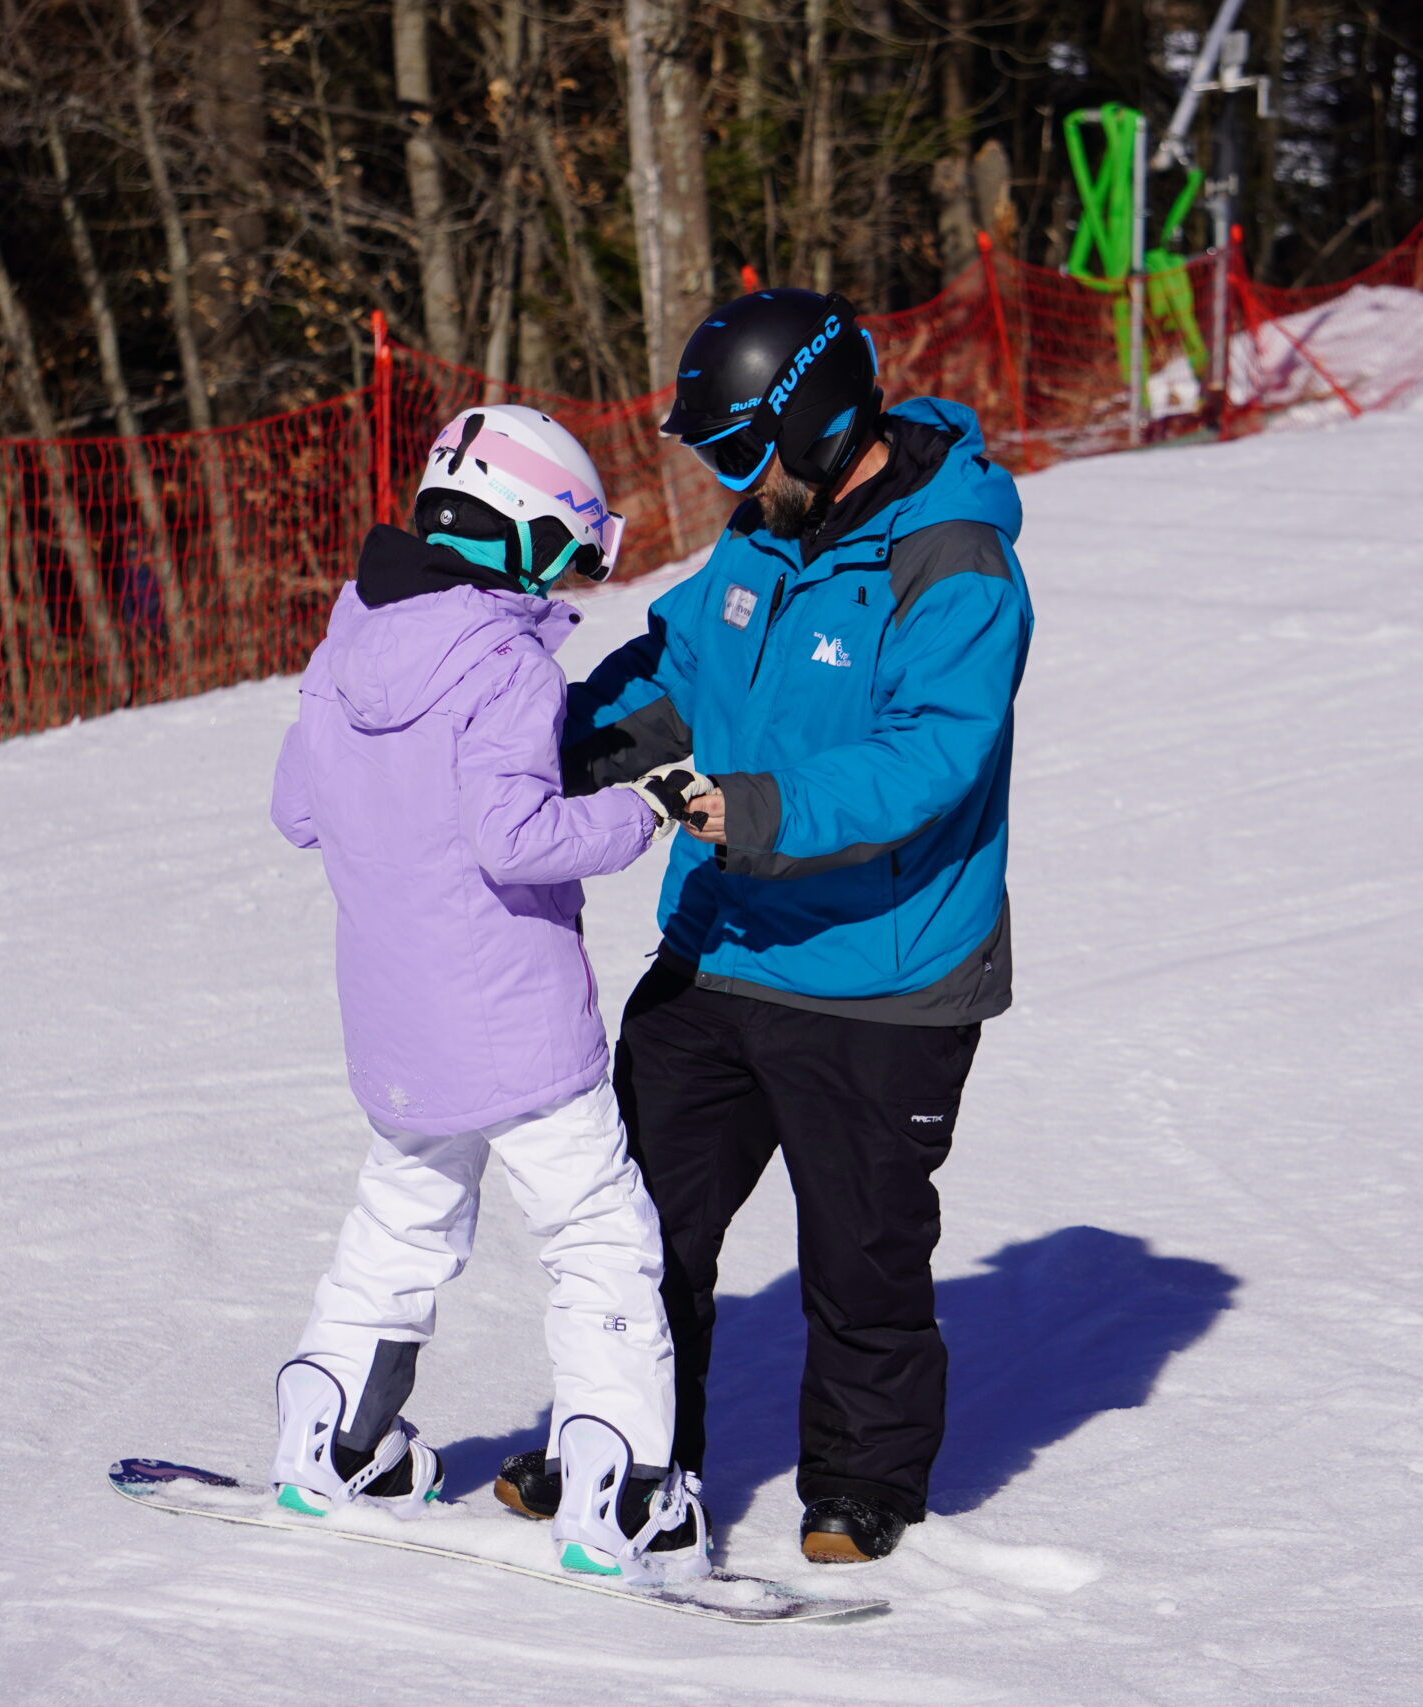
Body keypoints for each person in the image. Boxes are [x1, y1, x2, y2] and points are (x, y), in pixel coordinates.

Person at [519, 289, 1033, 1564]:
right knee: (638, 1229)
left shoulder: (953, 559)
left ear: (821, 421)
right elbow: (673, 673)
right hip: (721, 948)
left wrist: (754, 804)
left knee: (858, 1258)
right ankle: (622, 1443)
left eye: (743, 455)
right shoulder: (763, 536)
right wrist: (541, 746)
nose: (729, 484)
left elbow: (932, 758)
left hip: (881, 970)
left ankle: (860, 1484)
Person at [267, 404, 714, 1584]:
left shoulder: (350, 635)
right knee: (597, 1235)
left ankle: (332, 1443)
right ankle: (620, 1490)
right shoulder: (504, 659)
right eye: (566, 548)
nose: (570, 573)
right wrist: (645, 810)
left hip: (395, 1023)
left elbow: (298, 810)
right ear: (518, 535)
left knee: (401, 1222)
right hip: (513, 1026)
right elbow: (514, 839)